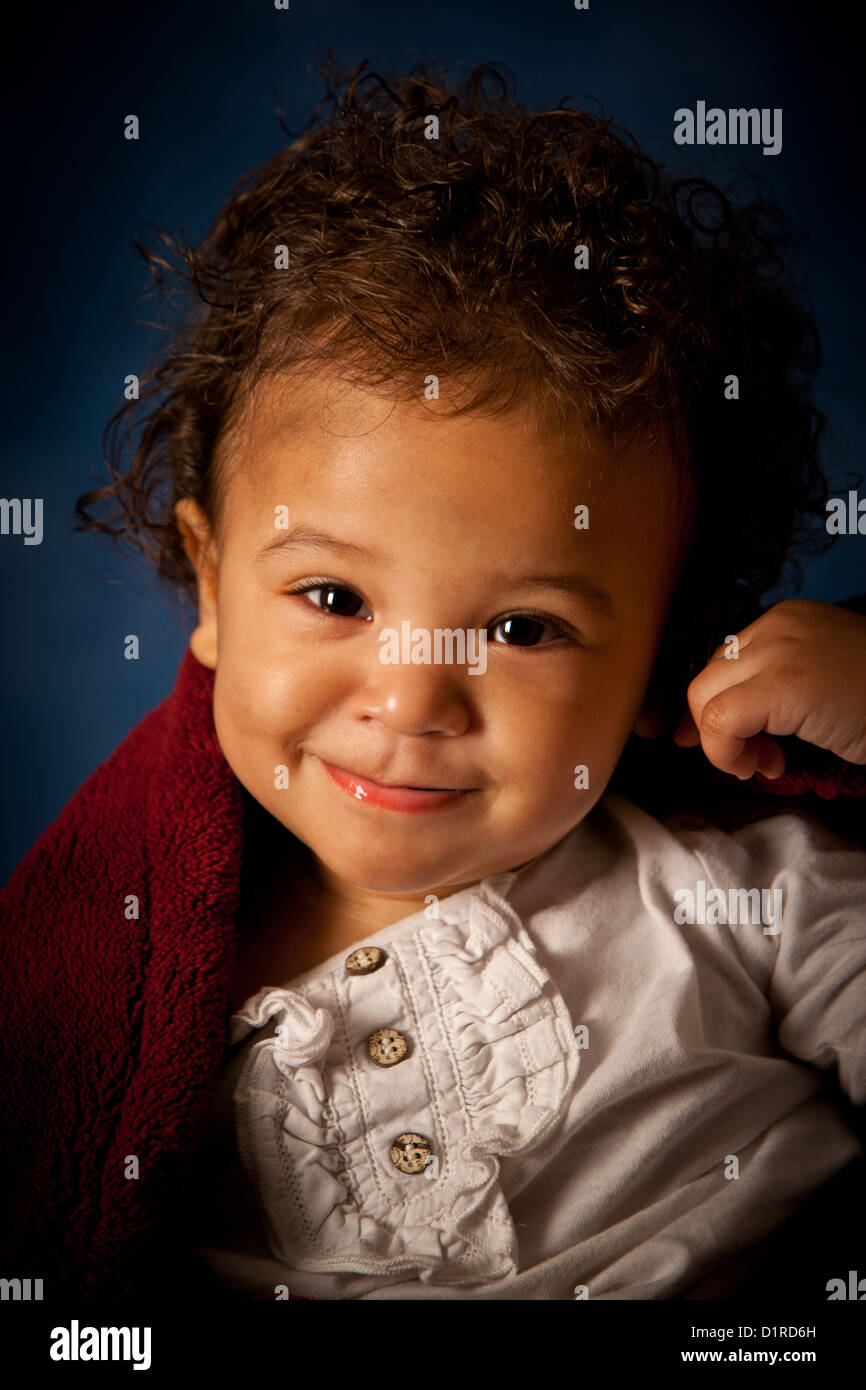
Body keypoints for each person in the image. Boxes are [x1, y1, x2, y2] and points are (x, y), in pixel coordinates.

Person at [2, 56, 865, 1304]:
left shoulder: (737, 894)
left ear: (660, 662)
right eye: (335, 598)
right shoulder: (108, 1015)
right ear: (206, 584)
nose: (409, 700)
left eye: (521, 628)